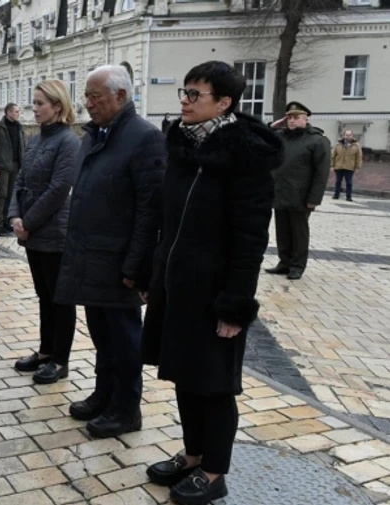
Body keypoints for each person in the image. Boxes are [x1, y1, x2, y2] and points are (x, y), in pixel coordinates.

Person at [142, 61, 283, 505]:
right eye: (183, 91)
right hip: (178, 286)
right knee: (186, 376)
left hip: (215, 294)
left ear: (224, 102)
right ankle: (193, 455)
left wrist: (234, 305)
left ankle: (214, 472)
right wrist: (153, 273)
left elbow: (250, 238)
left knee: (215, 384)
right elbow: (168, 220)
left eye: (194, 94)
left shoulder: (245, 157)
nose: (183, 100)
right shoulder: (184, 146)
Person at [56, 65, 165, 438]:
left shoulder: (145, 138)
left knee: (124, 341)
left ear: (120, 96)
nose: (87, 103)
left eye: (94, 96)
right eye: (86, 95)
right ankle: (104, 395)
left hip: (120, 264)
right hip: (91, 257)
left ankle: (126, 408)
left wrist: (136, 266)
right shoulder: (94, 135)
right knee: (102, 336)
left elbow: (150, 212)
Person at [8, 80, 79, 385]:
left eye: (39, 103)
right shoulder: (36, 139)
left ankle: (60, 360)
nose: (33, 109)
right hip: (33, 232)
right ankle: (45, 352)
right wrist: (14, 215)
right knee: (43, 296)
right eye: (33, 103)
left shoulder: (68, 141)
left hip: (54, 233)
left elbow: (59, 189)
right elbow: (21, 179)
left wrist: (28, 222)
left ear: (58, 106)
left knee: (60, 299)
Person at [264, 101, 330, 280]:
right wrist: (272, 126)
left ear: (305, 119)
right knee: (282, 231)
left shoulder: (317, 140)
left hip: (300, 197)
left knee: (299, 233)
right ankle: (284, 262)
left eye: (296, 117)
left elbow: (321, 172)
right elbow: (261, 137)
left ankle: (297, 266)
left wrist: (314, 198)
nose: (292, 121)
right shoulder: (281, 136)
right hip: (280, 193)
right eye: (289, 118)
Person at [0, 103, 24, 237]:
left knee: (11, 195)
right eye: (16, 111)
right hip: (2, 166)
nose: (18, 114)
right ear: (8, 112)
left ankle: (6, 222)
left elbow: (22, 147)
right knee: (1, 194)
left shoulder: (19, 128)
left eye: (19, 111)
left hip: (16, 165)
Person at [332, 130, 362, 202]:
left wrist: (358, 167)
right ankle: (336, 195)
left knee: (349, 182)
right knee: (338, 181)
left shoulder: (356, 145)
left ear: (352, 136)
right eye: (346, 135)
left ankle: (349, 196)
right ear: (344, 135)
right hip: (339, 166)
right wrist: (332, 165)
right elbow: (333, 155)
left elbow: (359, 157)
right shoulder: (338, 144)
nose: (348, 136)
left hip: (349, 166)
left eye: (349, 135)